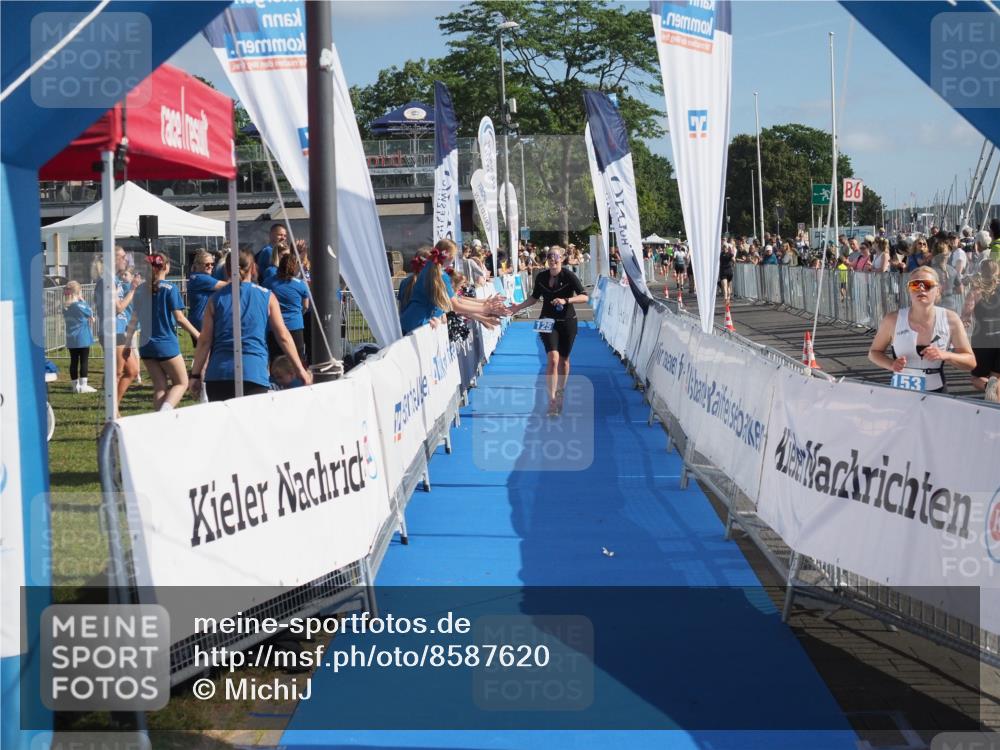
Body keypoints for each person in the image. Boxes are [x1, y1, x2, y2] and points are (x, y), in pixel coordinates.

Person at [190, 249, 312, 401]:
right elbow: (283, 336)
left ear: (226, 270)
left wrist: (195, 375)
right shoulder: (267, 296)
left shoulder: (215, 299)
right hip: (253, 373)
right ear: (253, 268)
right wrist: (300, 369)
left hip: (219, 375)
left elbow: (204, 341)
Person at [506, 247, 588, 416]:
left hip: (567, 322)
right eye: (549, 256)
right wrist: (517, 308)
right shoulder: (541, 276)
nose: (552, 260)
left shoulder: (569, 276)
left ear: (562, 258)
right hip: (546, 322)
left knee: (564, 360)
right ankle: (552, 401)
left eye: (556, 257)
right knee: (553, 358)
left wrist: (566, 300)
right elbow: (534, 297)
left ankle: (560, 394)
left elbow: (585, 296)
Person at [867, 266, 975, 394]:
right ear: (909, 289)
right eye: (915, 285)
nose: (921, 288)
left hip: (937, 391)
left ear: (938, 290)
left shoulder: (951, 319)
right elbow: (874, 353)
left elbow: (970, 362)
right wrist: (891, 364)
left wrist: (946, 355)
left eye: (927, 285)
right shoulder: (892, 319)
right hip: (901, 391)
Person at [123, 254, 200, 412]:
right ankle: (165, 412)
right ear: (166, 267)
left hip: (145, 346)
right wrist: (198, 335)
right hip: (165, 344)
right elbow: (179, 318)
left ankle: (159, 420)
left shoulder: (139, 291)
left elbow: (133, 320)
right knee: (181, 382)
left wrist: (127, 345)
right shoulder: (170, 288)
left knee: (160, 387)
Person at [399, 239, 506, 335]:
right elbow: (455, 305)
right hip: (419, 324)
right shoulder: (439, 275)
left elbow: (457, 301)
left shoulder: (431, 269)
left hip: (413, 322)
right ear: (450, 256)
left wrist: (485, 305)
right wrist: (485, 308)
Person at [95, 246, 142, 416]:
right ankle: (112, 411)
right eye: (122, 257)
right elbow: (118, 308)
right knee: (117, 372)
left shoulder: (114, 279)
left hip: (120, 329)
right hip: (111, 331)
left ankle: (114, 407)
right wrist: (133, 289)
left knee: (133, 371)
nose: (126, 260)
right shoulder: (107, 280)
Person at [961, 259, 1000, 401]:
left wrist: (964, 322)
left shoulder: (976, 292)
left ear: (982, 272)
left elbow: (965, 314)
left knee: (976, 378)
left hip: (983, 338)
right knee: (996, 376)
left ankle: (987, 388)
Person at [267, 251, 310, 364]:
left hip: (274, 327)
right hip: (295, 326)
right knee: (297, 360)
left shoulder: (269, 282)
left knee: (276, 361)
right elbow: (306, 306)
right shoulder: (300, 284)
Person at [62, 280, 96, 393]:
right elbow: (90, 312)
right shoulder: (79, 305)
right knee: (84, 361)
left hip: (71, 338)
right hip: (82, 337)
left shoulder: (65, 306)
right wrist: (84, 301)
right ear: (78, 292)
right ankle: (83, 386)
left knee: (74, 361)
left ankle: (74, 386)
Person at [187, 249, 226, 344]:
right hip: (202, 322)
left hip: (198, 321)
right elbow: (228, 285)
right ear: (197, 265)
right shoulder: (201, 278)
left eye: (212, 264)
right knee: (208, 353)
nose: (211, 266)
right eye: (207, 264)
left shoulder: (195, 277)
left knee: (205, 353)